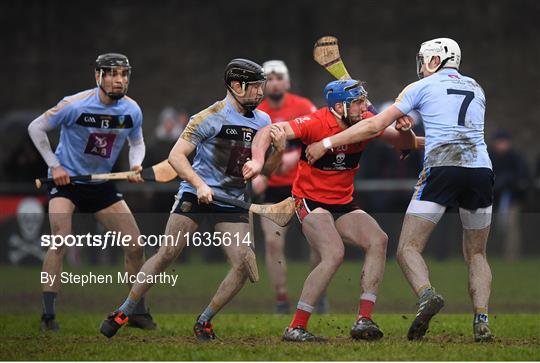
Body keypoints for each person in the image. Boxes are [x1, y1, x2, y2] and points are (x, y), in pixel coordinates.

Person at [305, 38, 495, 342]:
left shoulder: (418, 87)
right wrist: (406, 129)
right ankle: (482, 320)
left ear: (435, 61)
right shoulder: (477, 88)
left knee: (408, 248)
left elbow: (373, 126)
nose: (420, 66)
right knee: (477, 253)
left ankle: (426, 294)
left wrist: (326, 142)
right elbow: (438, 131)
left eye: (423, 59)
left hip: (442, 169)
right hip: (481, 170)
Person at [100, 58, 285, 340]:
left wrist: (279, 150)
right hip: (195, 193)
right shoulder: (209, 116)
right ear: (236, 86)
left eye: (262, 87)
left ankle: (204, 320)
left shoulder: (263, 121)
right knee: (167, 254)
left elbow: (268, 171)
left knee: (244, 265)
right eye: (256, 87)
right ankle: (125, 310)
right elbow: (176, 156)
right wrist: (198, 184)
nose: (261, 93)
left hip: (233, 199)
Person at [244, 79, 422, 342]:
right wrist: (258, 161)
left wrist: (405, 129)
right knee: (334, 253)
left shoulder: (365, 124)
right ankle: (296, 326)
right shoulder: (315, 122)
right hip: (309, 201)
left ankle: (364, 319)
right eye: (358, 102)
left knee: (378, 240)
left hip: (343, 202)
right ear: (339, 107)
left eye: (364, 101)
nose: (364, 107)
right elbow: (266, 132)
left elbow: (407, 143)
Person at [27, 53, 155, 331]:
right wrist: (55, 166)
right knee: (59, 241)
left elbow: (137, 142)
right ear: (98, 76)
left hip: (101, 186)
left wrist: (136, 164)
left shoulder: (131, 110)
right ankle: (48, 317)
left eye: (124, 74)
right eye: (112, 74)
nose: (119, 80)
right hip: (66, 184)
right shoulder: (74, 105)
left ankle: (136, 312)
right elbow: (35, 127)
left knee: (136, 245)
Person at [255, 60, 324, 314]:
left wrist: (294, 158)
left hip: (305, 186)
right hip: (272, 190)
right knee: (273, 244)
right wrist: (258, 174)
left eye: (278, 78)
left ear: (287, 81)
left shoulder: (303, 106)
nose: (274, 83)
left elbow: (320, 136)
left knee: (319, 244)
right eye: (268, 79)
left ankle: (319, 293)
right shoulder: (257, 112)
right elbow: (250, 151)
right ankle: (281, 299)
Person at [489, 129, 530, 261]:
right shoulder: (489, 157)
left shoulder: (516, 158)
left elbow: (522, 177)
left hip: (511, 199)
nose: (501, 145)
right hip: (491, 200)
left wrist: (507, 182)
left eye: (503, 142)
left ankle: (511, 256)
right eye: (499, 142)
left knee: (512, 228)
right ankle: (488, 254)